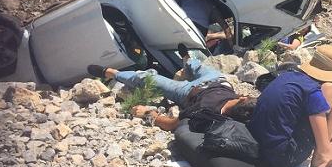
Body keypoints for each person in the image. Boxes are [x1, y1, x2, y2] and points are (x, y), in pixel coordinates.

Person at [247, 45, 332, 167]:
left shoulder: (287, 76)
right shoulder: (312, 92)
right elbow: (325, 149)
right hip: (282, 157)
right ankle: (320, 159)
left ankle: (324, 138)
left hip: (255, 143)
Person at [86, 55, 256, 131]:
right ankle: (187, 59)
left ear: (242, 97)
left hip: (188, 92)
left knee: (148, 78)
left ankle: (111, 73)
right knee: (197, 66)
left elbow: (172, 124)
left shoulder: (205, 112)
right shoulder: (237, 110)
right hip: (218, 81)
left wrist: (147, 113)